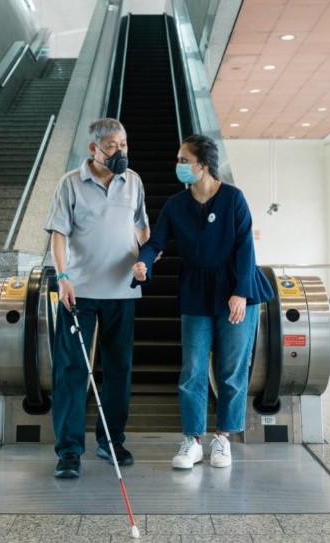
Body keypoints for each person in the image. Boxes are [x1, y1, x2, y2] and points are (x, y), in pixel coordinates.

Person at [132, 134, 273, 469]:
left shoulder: (233, 199)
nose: (179, 166)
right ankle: (192, 440)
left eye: (184, 160)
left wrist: (239, 292)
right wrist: (144, 262)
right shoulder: (176, 204)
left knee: (231, 368)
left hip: (237, 289)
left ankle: (223, 438)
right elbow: (156, 241)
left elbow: (245, 248)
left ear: (203, 164)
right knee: (192, 367)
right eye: (179, 160)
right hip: (196, 289)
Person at [44, 118, 150, 478]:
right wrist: (62, 277)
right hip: (80, 293)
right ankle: (69, 451)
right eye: (112, 146)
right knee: (72, 371)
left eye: (124, 145)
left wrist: (143, 258)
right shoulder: (70, 184)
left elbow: (142, 227)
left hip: (122, 292)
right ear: (93, 149)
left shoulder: (133, 182)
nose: (120, 152)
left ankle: (110, 440)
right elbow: (59, 233)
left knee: (118, 369)